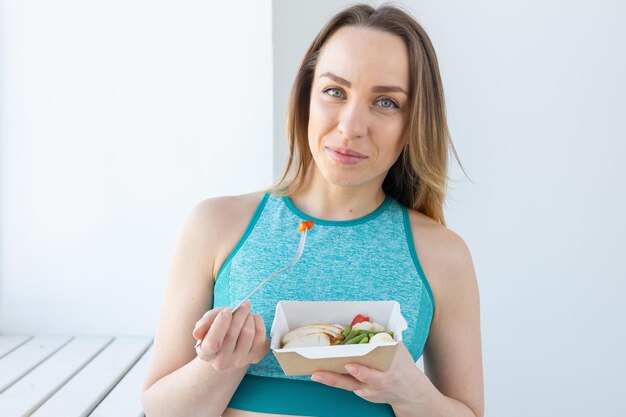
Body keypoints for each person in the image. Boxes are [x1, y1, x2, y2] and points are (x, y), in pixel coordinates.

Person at [141, 4, 483, 417]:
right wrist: (220, 367)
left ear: (414, 122)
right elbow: (159, 409)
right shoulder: (215, 225)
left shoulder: (444, 255)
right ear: (306, 97)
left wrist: (414, 394)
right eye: (335, 91)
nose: (351, 126)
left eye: (386, 103)